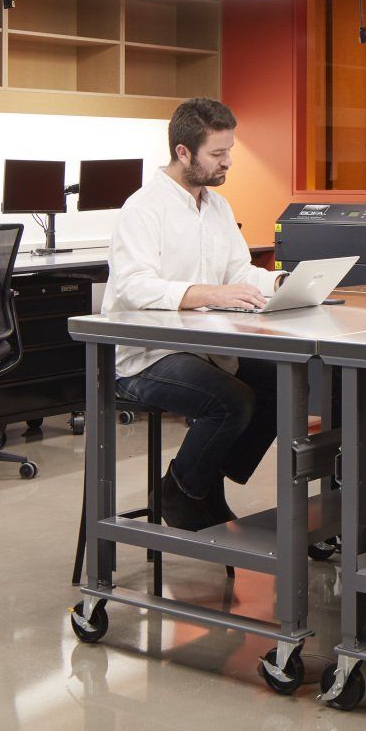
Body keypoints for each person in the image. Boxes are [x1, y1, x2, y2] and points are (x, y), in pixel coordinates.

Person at [103, 97, 288, 532]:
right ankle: (181, 493)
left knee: (282, 381)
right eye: (218, 154)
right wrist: (207, 293)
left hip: (200, 348)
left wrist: (279, 283)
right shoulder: (143, 208)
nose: (228, 163)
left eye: (230, 153)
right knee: (232, 401)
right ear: (183, 152)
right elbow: (132, 286)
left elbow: (238, 272)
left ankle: (204, 481)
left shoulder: (217, 207)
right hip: (146, 354)